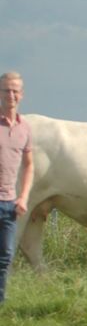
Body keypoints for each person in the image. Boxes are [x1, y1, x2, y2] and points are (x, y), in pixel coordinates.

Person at [0, 70, 30, 308]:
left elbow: (29, 165)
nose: (10, 95)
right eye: (6, 90)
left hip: (10, 203)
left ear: (21, 95)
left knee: (6, 256)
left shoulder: (24, 128)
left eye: (15, 91)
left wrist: (23, 196)